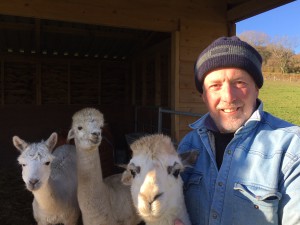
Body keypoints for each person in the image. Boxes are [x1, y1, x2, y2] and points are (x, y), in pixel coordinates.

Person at [175, 36, 300, 225]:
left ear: (257, 88)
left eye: (239, 83)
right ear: (203, 96)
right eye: (215, 86)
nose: (228, 97)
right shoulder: (188, 145)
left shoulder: (291, 148)